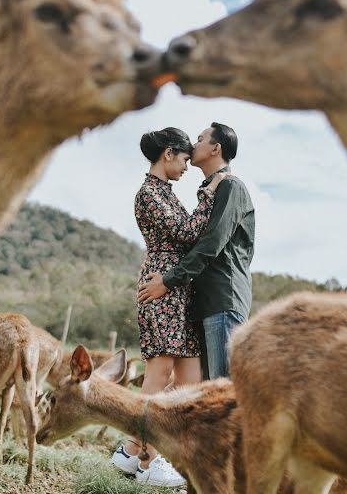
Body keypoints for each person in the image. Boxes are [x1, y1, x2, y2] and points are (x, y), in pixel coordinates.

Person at [111, 127, 227, 487]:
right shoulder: (148, 193)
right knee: (159, 376)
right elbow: (188, 232)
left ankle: (131, 451)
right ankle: (148, 462)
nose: (188, 166)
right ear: (167, 154)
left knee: (189, 384)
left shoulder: (166, 193)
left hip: (179, 292)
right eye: (184, 159)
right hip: (160, 289)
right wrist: (209, 196)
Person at [137, 122, 255, 381]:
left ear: (215, 148)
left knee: (220, 388)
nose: (193, 144)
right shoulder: (204, 190)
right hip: (200, 302)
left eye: (200, 139)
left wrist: (168, 280)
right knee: (200, 389)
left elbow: (210, 244)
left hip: (222, 297)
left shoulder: (230, 187)